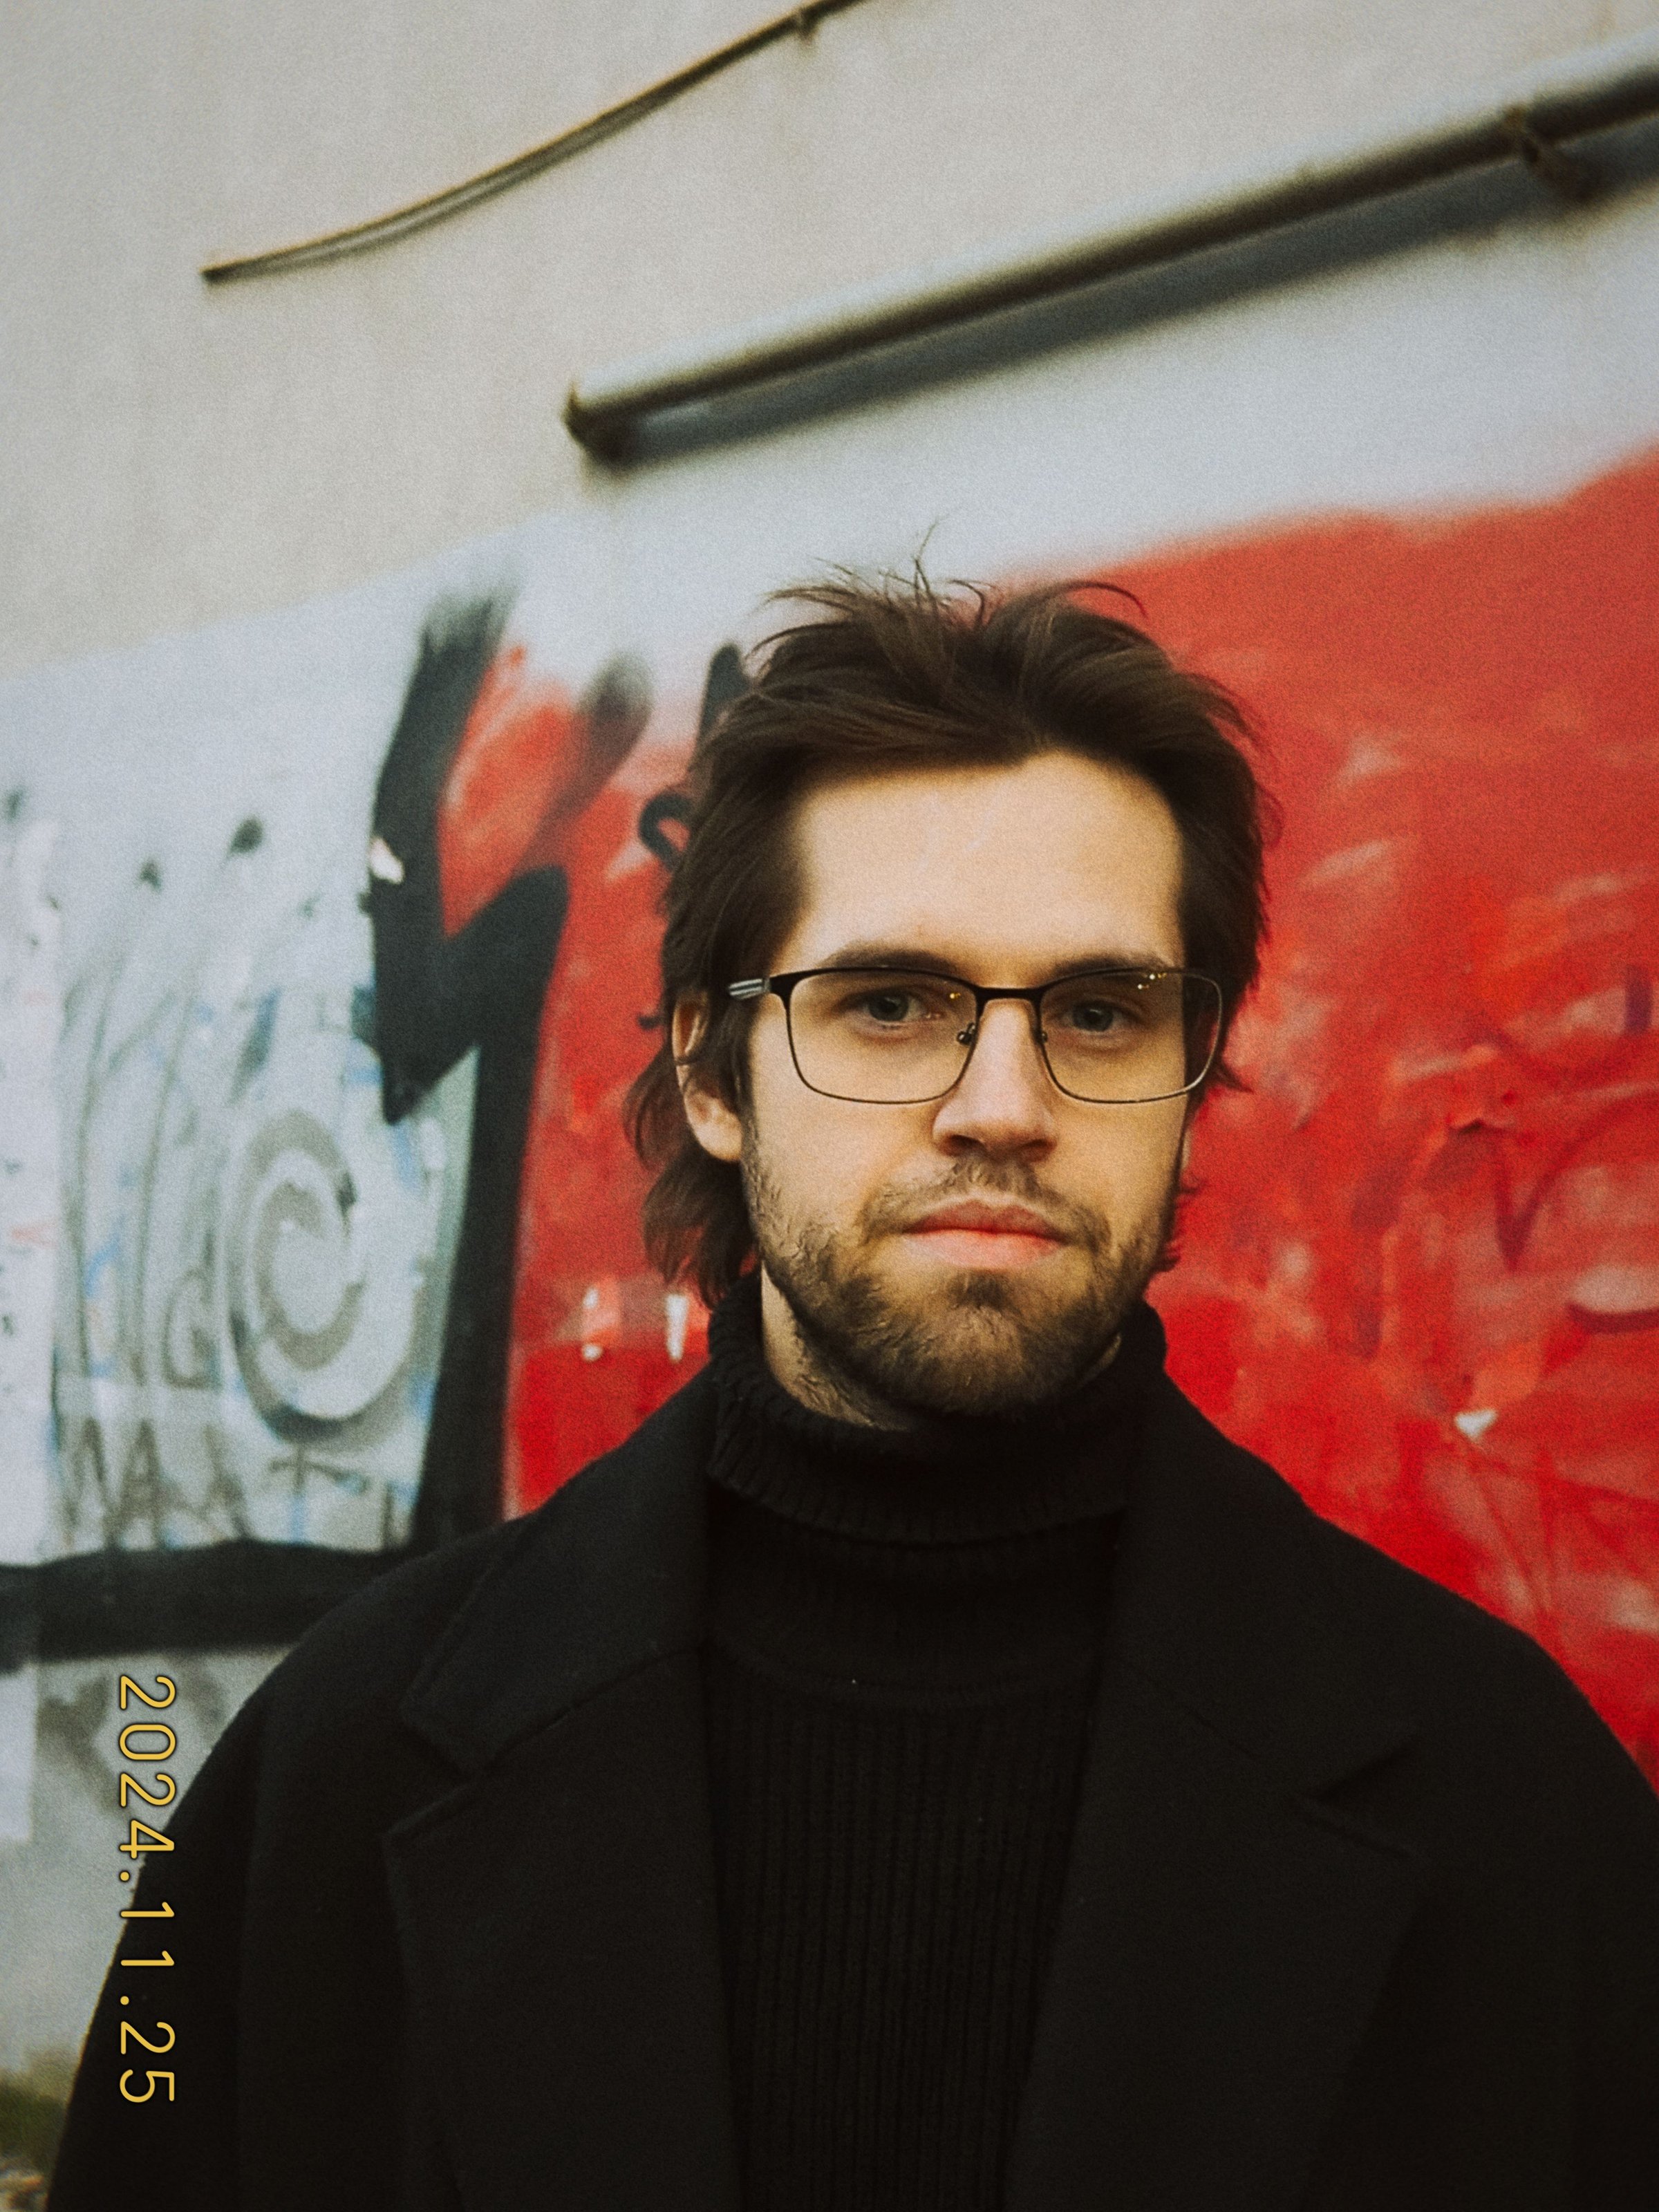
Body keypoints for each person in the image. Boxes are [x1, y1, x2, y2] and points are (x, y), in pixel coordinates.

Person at [50, 575, 1659, 2211]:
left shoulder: (1519, 1818)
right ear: (711, 1071)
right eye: (890, 1003)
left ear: (1192, 1074)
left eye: (1100, 1012)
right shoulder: (323, 1786)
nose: (1004, 1103)